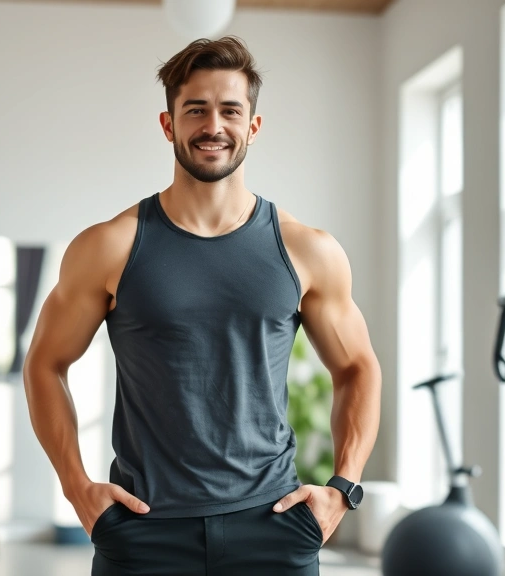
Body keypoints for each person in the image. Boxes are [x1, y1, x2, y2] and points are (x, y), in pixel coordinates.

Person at [23, 35, 382, 576]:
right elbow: (45, 365)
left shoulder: (306, 249)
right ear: (168, 124)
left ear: (252, 127)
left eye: (230, 110)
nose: (213, 126)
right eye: (196, 110)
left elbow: (358, 368)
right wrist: (77, 488)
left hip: (274, 525)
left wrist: (343, 488)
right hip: (145, 530)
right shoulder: (109, 246)